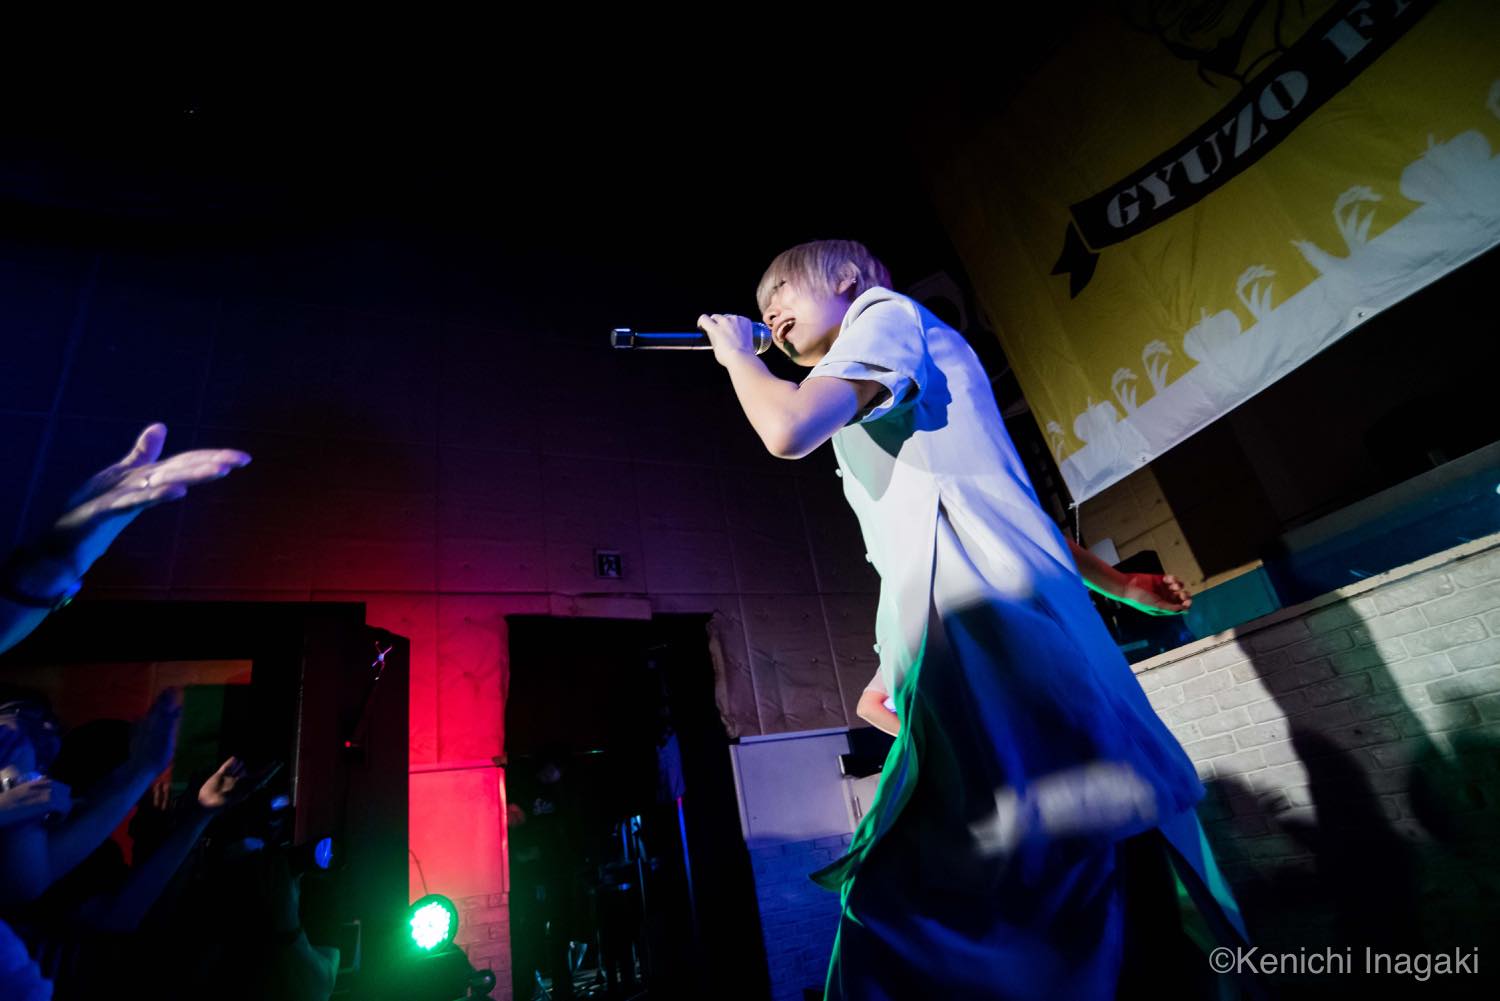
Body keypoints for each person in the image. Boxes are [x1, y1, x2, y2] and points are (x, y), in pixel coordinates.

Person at [697, 240, 1249, 999]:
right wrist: (1117, 583)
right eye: (761, 310)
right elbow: (991, 500)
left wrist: (737, 356)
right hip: (958, 617)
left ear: (848, 280)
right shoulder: (866, 386)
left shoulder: (883, 315)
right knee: (1036, 843)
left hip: (989, 613)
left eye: (782, 290)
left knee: (1024, 849)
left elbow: (786, 429)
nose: (769, 313)